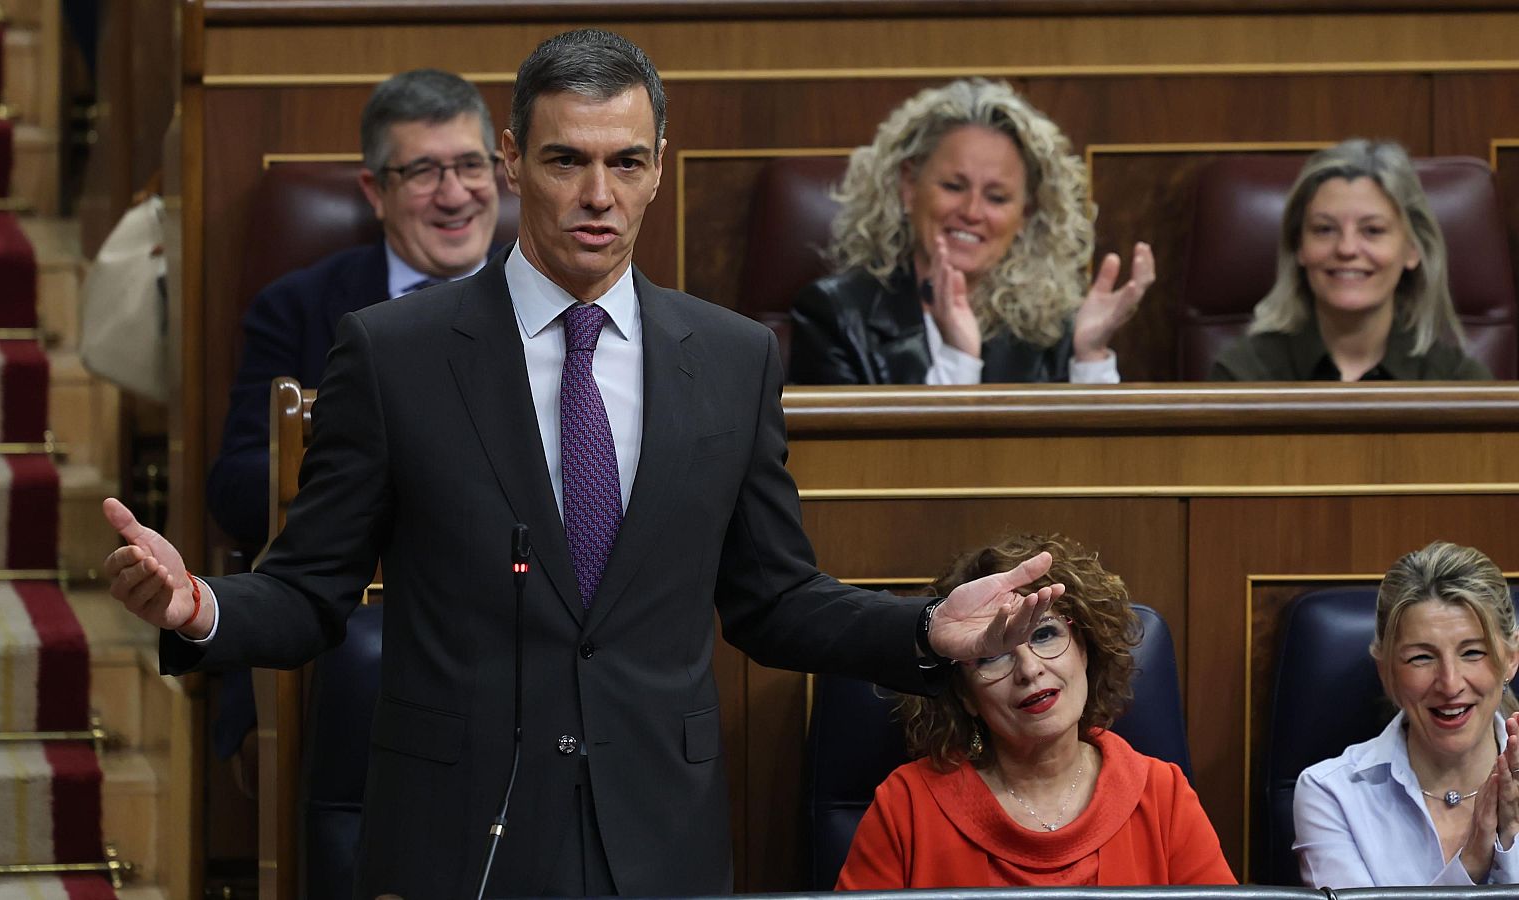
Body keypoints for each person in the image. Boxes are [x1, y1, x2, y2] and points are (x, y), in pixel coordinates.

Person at [103, 29, 1069, 899]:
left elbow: (773, 599)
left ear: (658, 170)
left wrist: (926, 629)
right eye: (567, 160)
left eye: (625, 162)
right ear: (515, 162)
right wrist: (201, 607)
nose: (598, 194)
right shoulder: (393, 353)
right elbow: (313, 591)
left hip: (660, 833)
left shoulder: (731, 360)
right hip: (459, 836)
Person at [206, 68, 502, 550]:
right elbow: (236, 487)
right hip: (365, 595)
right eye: (423, 172)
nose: (453, 196)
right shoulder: (295, 307)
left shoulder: (551, 295)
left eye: (471, 165)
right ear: (375, 191)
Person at [837, 533, 1235, 889]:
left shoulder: (1162, 795)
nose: (1029, 669)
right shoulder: (906, 805)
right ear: (964, 695)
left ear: (1085, 649)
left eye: (1045, 634)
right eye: (992, 656)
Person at [789, 78, 1152, 386]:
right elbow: (862, 465)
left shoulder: (1051, 329)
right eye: (952, 186)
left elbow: (1087, 464)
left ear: (1025, 213)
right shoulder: (835, 315)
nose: (972, 212)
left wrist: (1088, 356)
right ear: (909, 187)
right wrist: (959, 359)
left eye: (996, 197)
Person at [1293, 541, 1519, 887]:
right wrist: (1473, 860)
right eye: (1421, 658)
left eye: (1473, 652)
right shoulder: (1332, 794)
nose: (1450, 683)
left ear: (1511, 659)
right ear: (1386, 671)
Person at [1211, 140, 1491, 381]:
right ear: (1299, 246)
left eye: (1372, 230)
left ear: (1412, 250)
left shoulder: (1458, 381)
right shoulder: (1243, 376)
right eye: (1324, 229)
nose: (1346, 249)